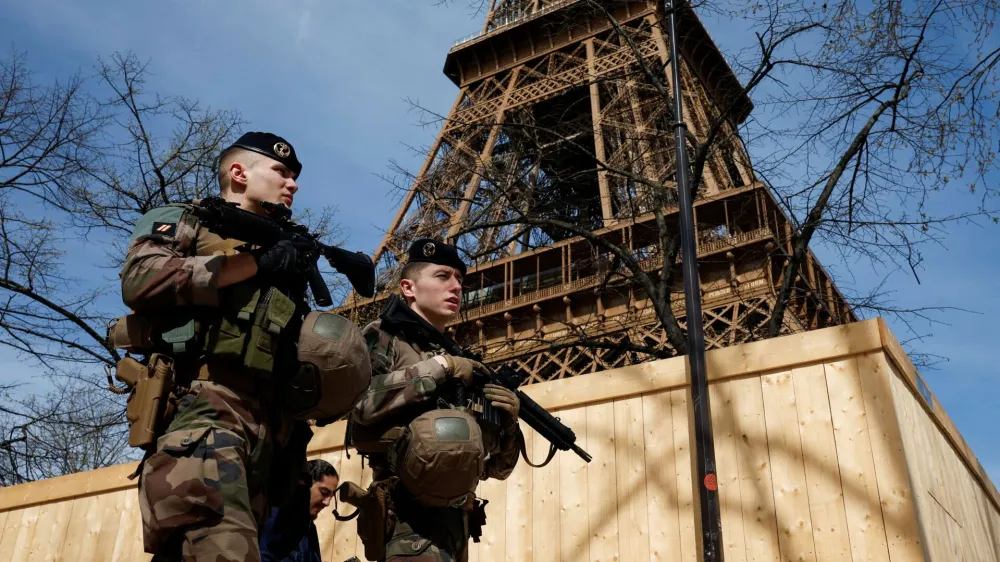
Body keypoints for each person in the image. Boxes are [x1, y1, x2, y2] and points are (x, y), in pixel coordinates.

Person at [117, 132, 365, 562]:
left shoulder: (287, 245)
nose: (294, 184)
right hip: (209, 408)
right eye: (282, 172)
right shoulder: (189, 219)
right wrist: (258, 264)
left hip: (273, 432)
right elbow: (141, 279)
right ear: (238, 173)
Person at [348, 238, 523, 562]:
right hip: (406, 521)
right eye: (443, 276)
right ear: (408, 288)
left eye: (460, 279)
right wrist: (440, 368)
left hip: (457, 526)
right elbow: (360, 404)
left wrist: (508, 427)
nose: (456, 286)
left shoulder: (463, 360)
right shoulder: (384, 336)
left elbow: (495, 470)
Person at [259, 459, 340, 562]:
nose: (327, 503)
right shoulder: (273, 518)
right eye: (324, 492)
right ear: (305, 486)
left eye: (331, 497)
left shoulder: (309, 528)